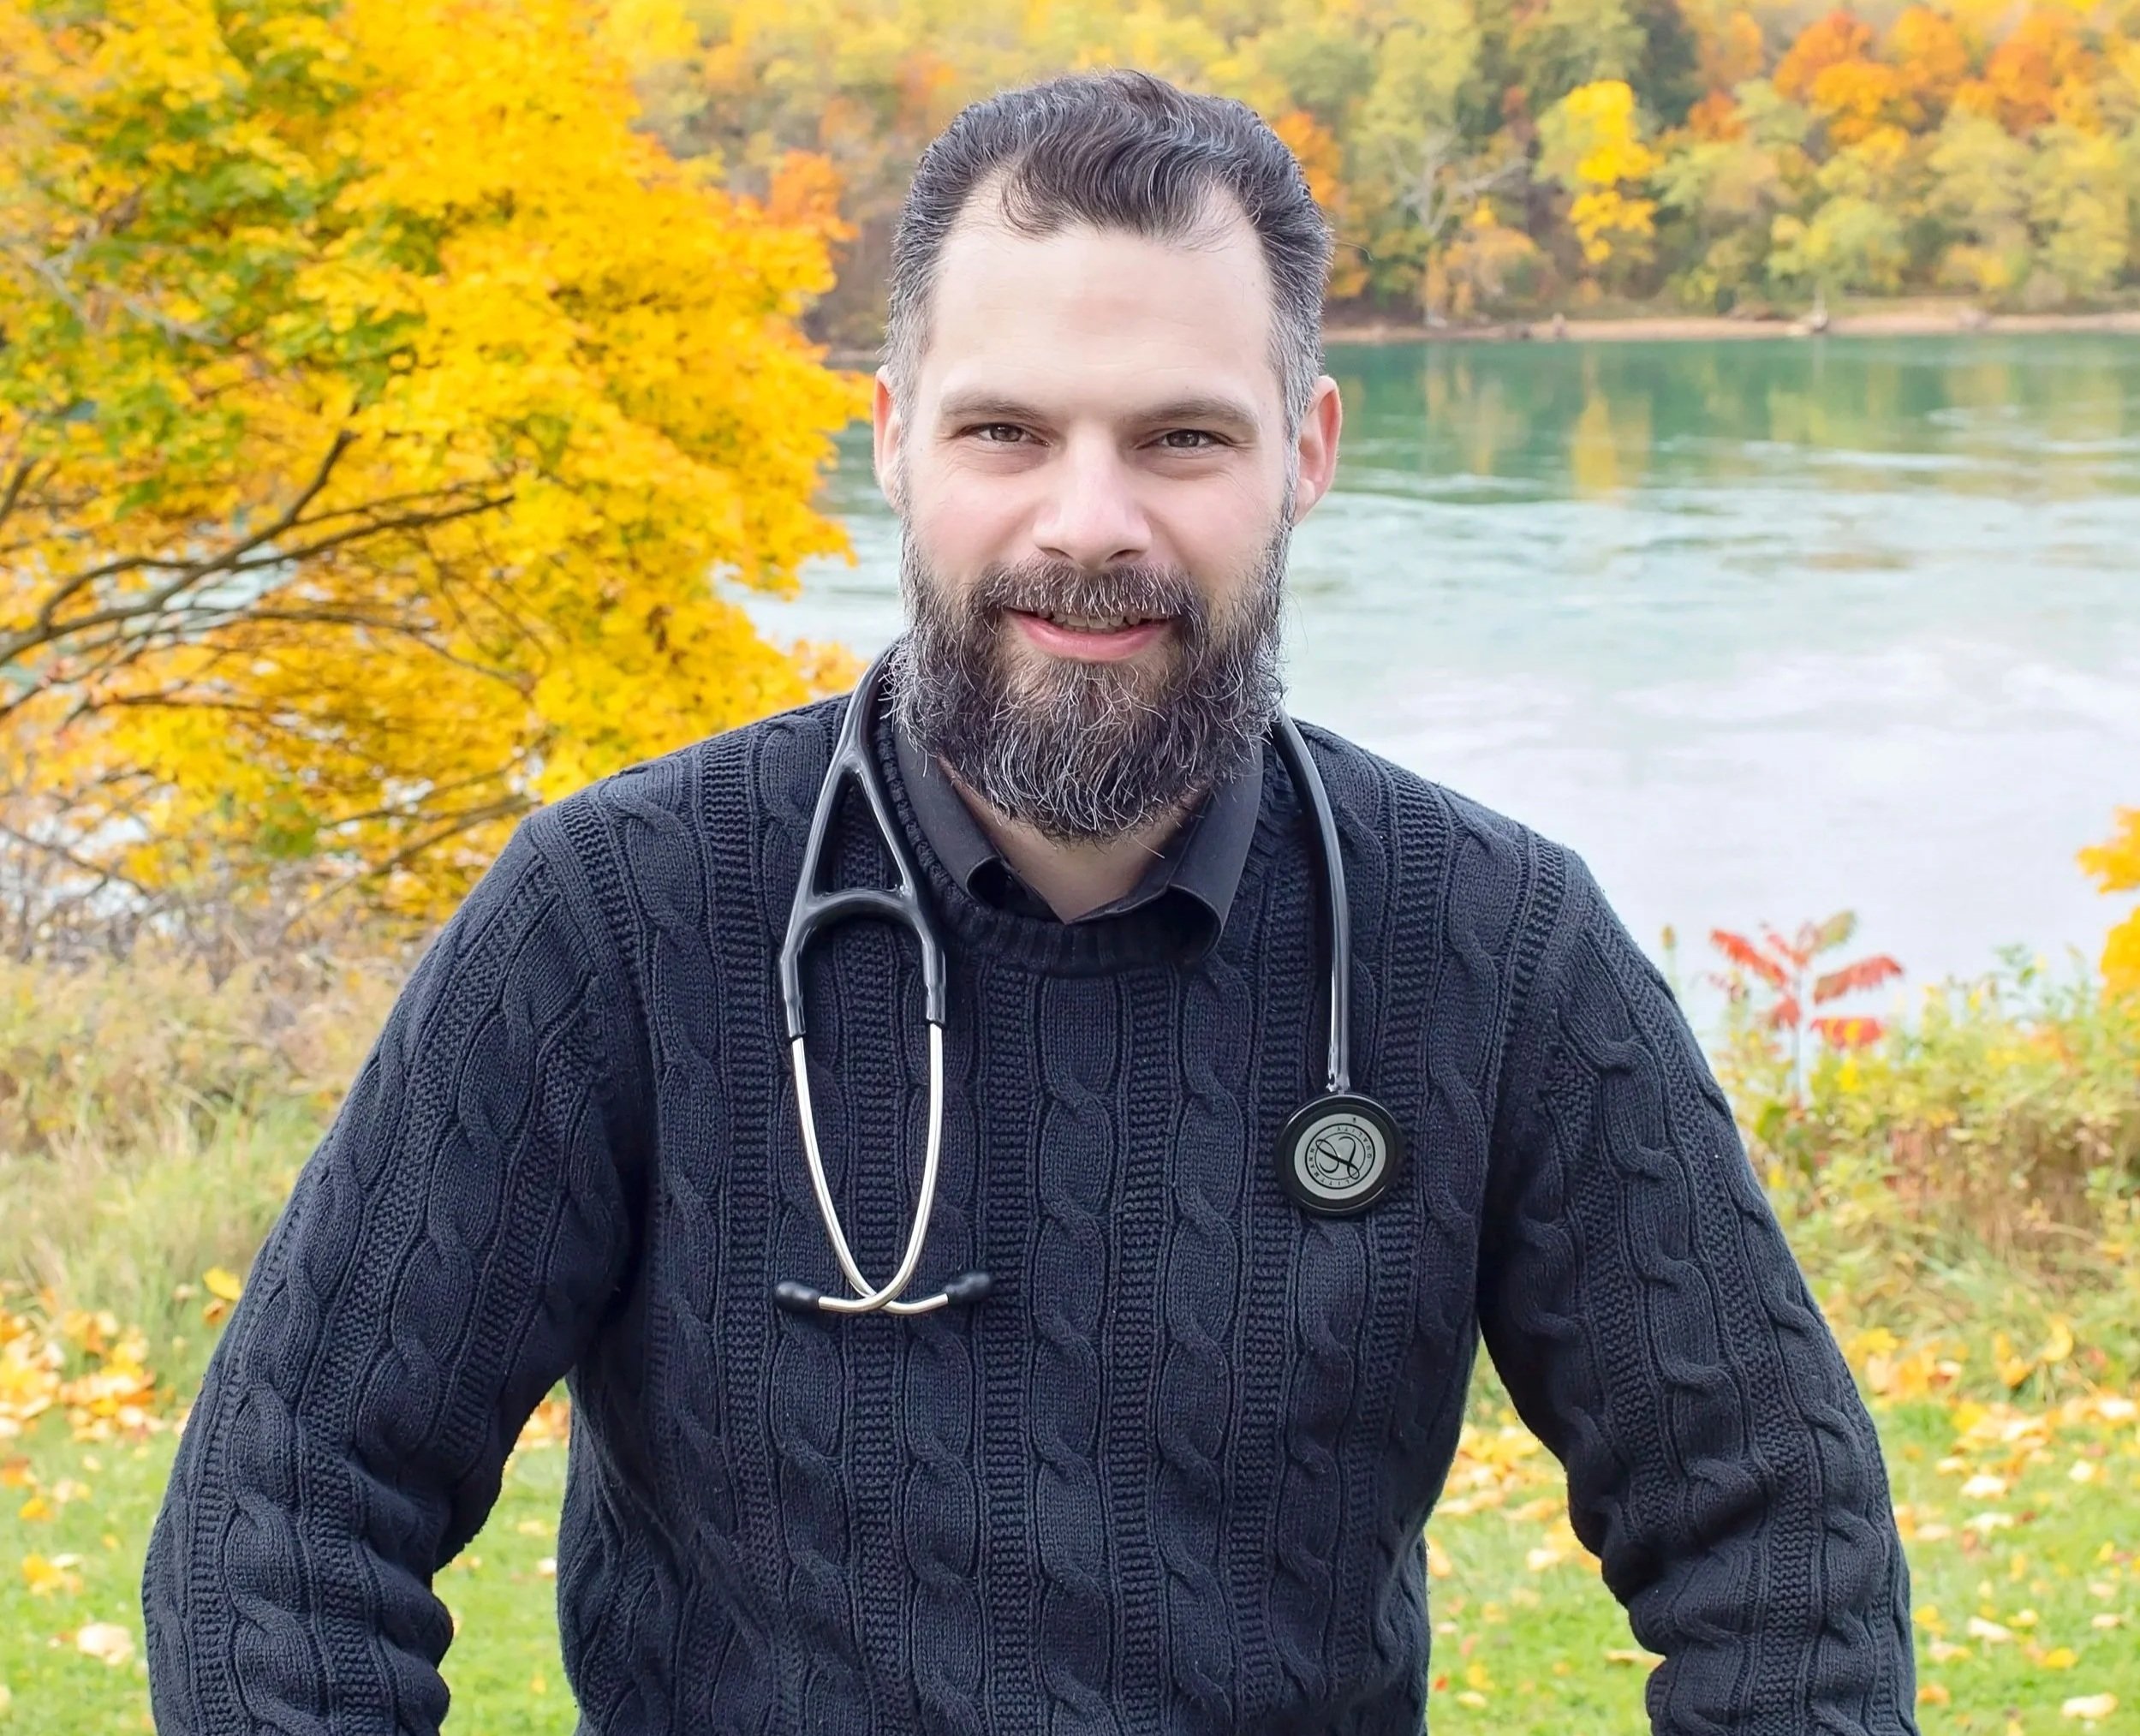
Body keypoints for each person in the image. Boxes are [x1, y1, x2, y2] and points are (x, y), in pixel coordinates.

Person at [142, 69, 1919, 1735]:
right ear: (892, 438)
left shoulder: (1492, 942)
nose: (1089, 522)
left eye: (1180, 439)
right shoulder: (616, 914)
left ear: (1304, 452)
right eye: (1004, 430)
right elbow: (283, 1511)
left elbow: (1779, 1546)